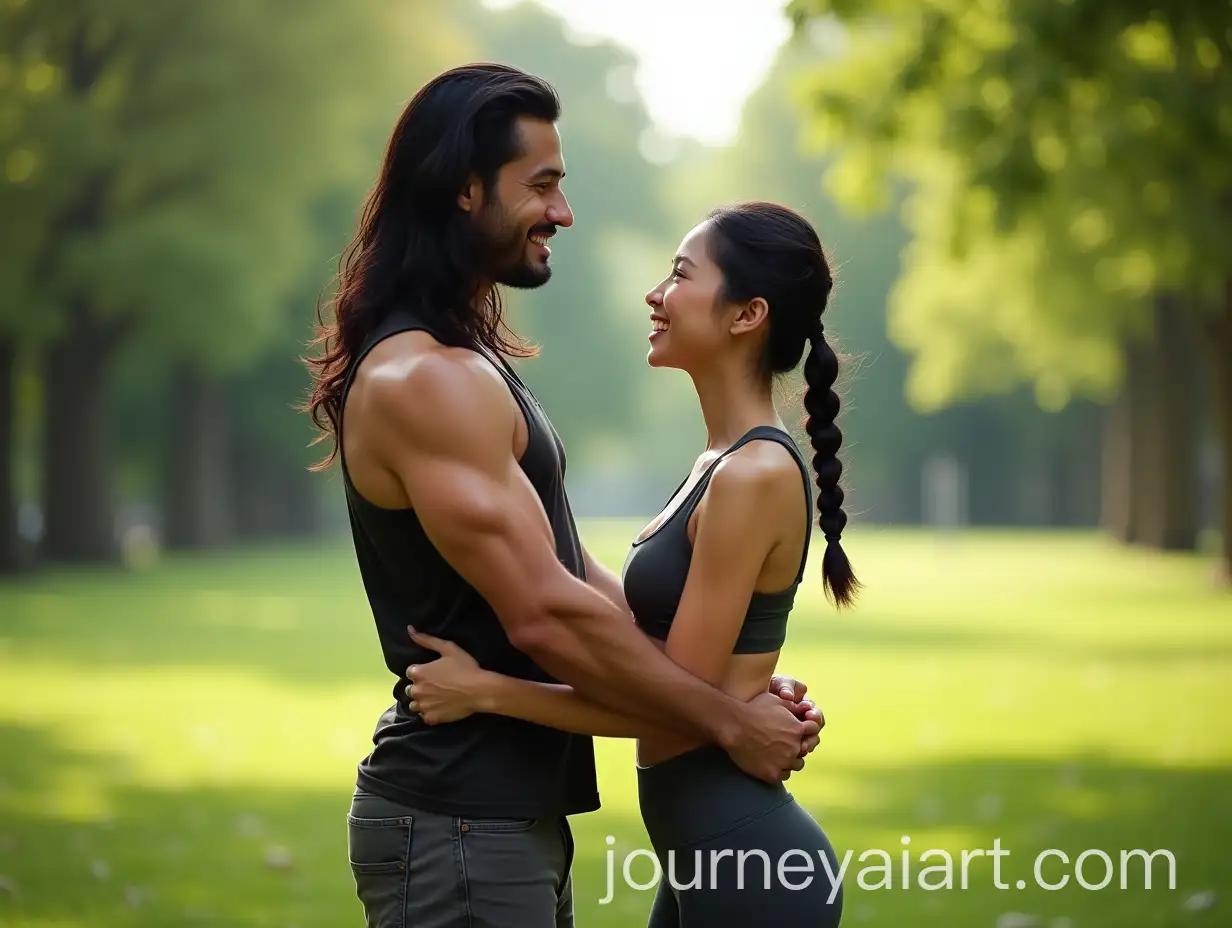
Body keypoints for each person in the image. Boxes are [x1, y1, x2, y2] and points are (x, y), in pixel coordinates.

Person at [302, 64, 825, 928]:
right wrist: (726, 721)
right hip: (459, 817)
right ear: (467, 191)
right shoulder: (428, 380)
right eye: (541, 186)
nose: (563, 212)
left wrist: (726, 686)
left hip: (499, 816)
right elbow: (545, 611)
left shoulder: (464, 364)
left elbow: (572, 573)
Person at [402, 201, 857, 926]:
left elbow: (672, 703)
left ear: (747, 315)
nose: (656, 293)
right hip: (703, 857)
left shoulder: (753, 475)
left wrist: (486, 692)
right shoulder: (722, 463)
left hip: (749, 865)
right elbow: (674, 665)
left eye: (680, 274)